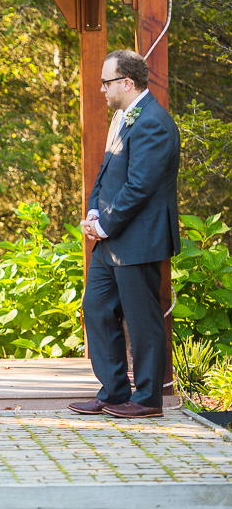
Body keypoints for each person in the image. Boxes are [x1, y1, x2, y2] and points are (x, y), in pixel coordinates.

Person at [69, 50, 180, 418]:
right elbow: (108, 171)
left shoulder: (153, 122)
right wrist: (93, 210)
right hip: (112, 236)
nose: (102, 89)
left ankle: (148, 400)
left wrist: (102, 226)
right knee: (96, 307)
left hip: (139, 236)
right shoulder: (122, 117)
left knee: (141, 317)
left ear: (126, 83)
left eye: (106, 82)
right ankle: (114, 392)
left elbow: (139, 187)